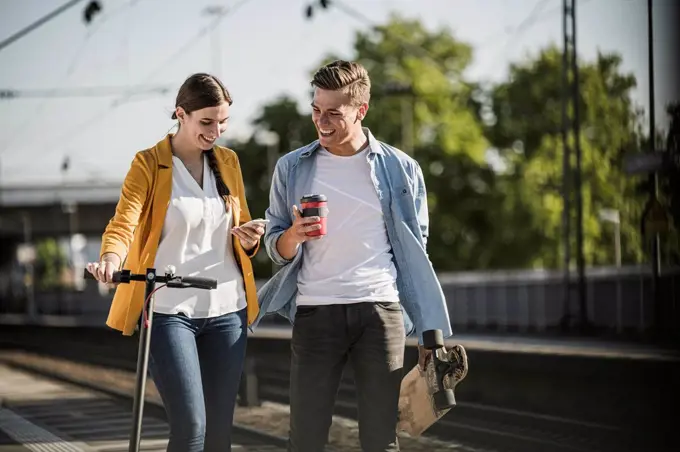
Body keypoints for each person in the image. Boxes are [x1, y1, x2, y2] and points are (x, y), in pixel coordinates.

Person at [254, 60, 469, 451]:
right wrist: (294, 235)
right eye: (316, 110)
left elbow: (416, 254)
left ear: (361, 110)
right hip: (316, 312)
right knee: (305, 437)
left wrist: (428, 333)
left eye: (334, 113)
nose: (322, 122)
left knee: (380, 438)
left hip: (380, 313)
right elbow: (275, 246)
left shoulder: (402, 169)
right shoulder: (292, 167)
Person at [86, 73, 264, 452]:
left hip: (227, 310)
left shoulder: (228, 162)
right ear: (181, 114)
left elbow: (242, 225)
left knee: (219, 434)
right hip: (169, 310)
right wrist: (110, 257)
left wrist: (251, 239)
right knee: (191, 427)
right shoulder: (149, 163)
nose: (216, 131)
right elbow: (125, 221)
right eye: (206, 122)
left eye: (223, 123)